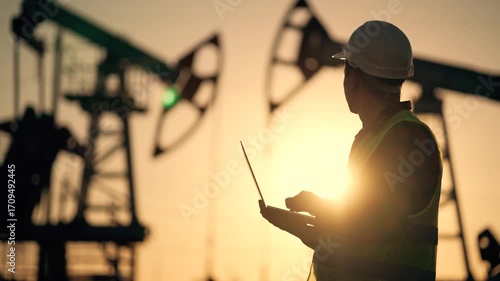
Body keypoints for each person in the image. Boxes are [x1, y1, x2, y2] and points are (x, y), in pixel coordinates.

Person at [259, 20, 442, 281]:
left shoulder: (406, 138)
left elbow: (379, 223)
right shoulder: (375, 138)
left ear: (352, 76)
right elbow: (362, 232)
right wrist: (308, 230)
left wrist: (319, 208)